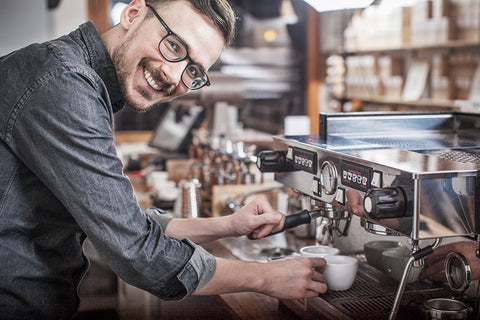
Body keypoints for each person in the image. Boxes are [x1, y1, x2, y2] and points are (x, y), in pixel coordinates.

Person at [0, 0, 327, 319]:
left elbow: (127, 225)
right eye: (173, 46)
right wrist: (265, 277)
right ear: (132, 13)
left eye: (193, 70)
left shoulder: (79, 82)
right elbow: (137, 251)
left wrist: (228, 225)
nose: (174, 76)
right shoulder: (64, 84)